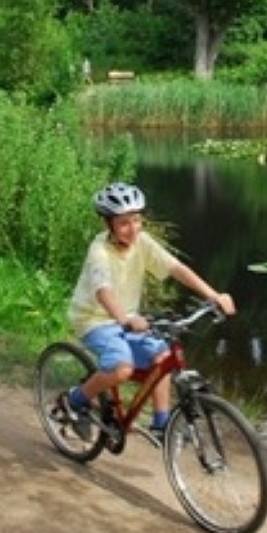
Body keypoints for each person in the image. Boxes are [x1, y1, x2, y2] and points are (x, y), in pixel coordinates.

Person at [58, 182, 235, 443]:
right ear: (108, 225)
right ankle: (74, 401)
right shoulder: (99, 253)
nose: (133, 229)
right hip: (95, 320)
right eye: (123, 223)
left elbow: (175, 268)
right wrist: (126, 318)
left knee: (162, 355)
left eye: (137, 220)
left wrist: (213, 295)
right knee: (121, 368)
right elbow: (103, 291)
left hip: (126, 320)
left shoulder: (142, 242)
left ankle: (162, 423)